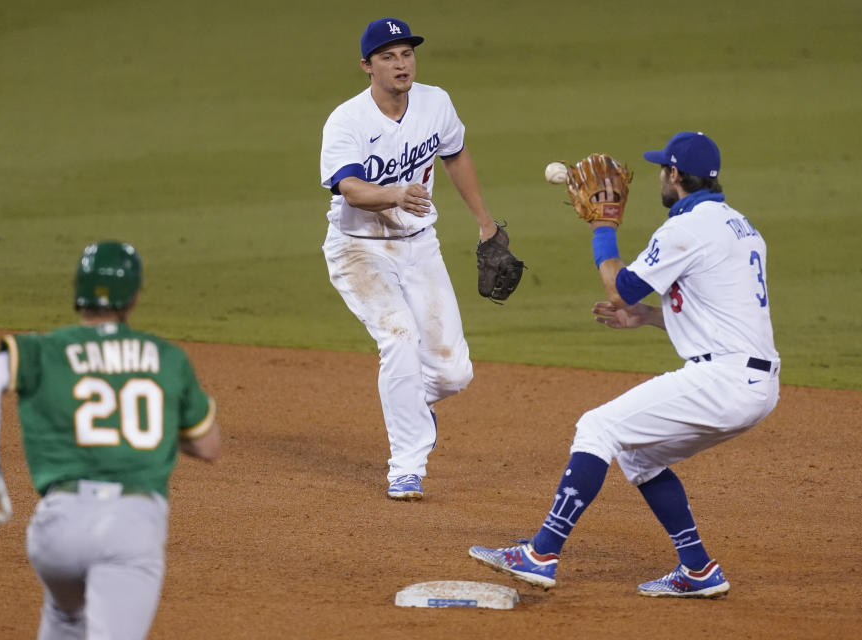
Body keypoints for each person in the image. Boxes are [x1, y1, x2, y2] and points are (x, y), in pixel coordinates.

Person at [469, 131, 780, 597]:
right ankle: (697, 569)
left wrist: (603, 226)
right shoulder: (740, 225)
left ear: (674, 175)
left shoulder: (687, 228)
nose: (660, 176)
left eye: (662, 169)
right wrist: (650, 317)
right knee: (640, 456)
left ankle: (542, 552)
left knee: (596, 427)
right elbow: (723, 312)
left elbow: (620, 287)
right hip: (755, 381)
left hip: (724, 379)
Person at [0, 241, 222, 638]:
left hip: (56, 531)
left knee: (66, 617)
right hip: (130, 529)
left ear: (78, 291)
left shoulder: (45, 349)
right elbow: (208, 447)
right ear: (134, 297)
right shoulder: (167, 358)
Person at [320, 17, 502, 500]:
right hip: (358, 249)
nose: (401, 64)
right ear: (367, 66)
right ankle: (407, 466)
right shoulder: (348, 121)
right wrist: (396, 193)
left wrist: (485, 222)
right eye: (388, 56)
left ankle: (409, 406)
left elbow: (456, 155)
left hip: (419, 245)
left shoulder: (435, 102)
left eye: (406, 54)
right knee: (399, 338)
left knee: (453, 373)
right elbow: (351, 189)